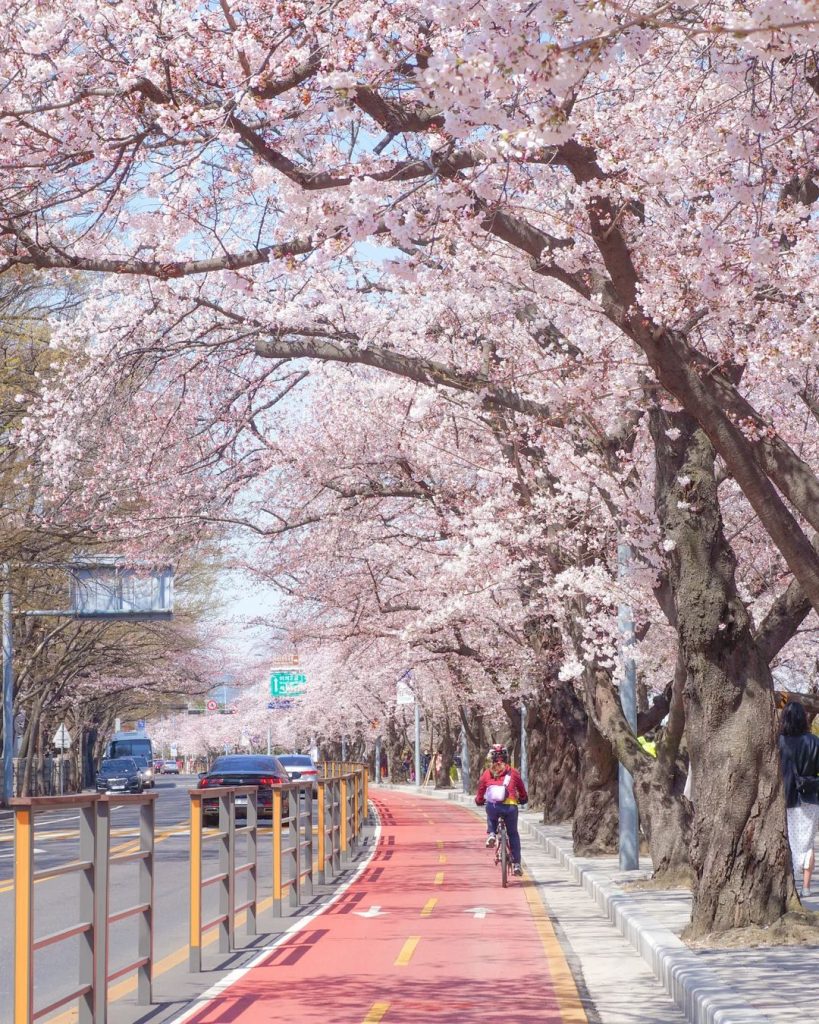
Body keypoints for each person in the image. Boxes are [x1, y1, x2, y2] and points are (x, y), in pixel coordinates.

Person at [778, 700, 819, 898]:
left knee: (791, 841)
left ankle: (791, 882)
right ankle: (806, 886)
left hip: (786, 798)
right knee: (807, 843)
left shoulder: (778, 741)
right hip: (810, 797)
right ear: (804, 718)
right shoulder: (814, 741)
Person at [475, 743, 528, 876]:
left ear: (491, 759)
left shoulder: (487, 773)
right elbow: (522, 790)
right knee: (513, 834)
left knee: (491, 812)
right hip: (510, 806)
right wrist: (523, 798)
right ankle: (516, 864)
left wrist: (479, 800)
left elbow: (481, 791)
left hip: (494, 806)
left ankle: (492, 833)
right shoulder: (513, 773)